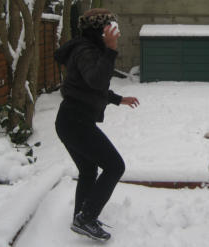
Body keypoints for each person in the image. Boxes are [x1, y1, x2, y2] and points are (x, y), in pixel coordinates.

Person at [54, 8, 139, 241]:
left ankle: (81, 217)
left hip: (72, 120)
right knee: (115, 166)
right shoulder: (85, 51)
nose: (116, 32)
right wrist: (111, 50)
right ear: (100, 30)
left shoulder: (89, 50)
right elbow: (96, 79)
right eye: (112, 28)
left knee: (88, 170)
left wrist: (118, 99)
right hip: (75, 122)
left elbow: (92, 86)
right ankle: (86, 217)